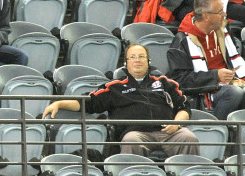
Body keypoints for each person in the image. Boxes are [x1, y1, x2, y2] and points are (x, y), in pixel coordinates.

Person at [43, 44, 198, 157]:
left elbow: (184, 107)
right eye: (132, 57)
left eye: (141, 56)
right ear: (126, 63)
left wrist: (176, 123)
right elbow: (89, 102)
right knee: (131, 140)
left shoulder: (164, 83)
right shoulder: (115, 87)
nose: (137, 60)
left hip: (168, 131)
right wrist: (59, 103)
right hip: (136, 134)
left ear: (148, 61)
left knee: (188, 137)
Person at [167, 0, 245, 119]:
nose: (225, 14)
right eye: (220, 12)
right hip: (202, 91)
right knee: (234, 92)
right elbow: (180, 80)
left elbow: (232, 60)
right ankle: (218, 128)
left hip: (228, 83)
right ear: (206, 16)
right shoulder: (182, 41)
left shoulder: (223, 30)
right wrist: (215, 76)